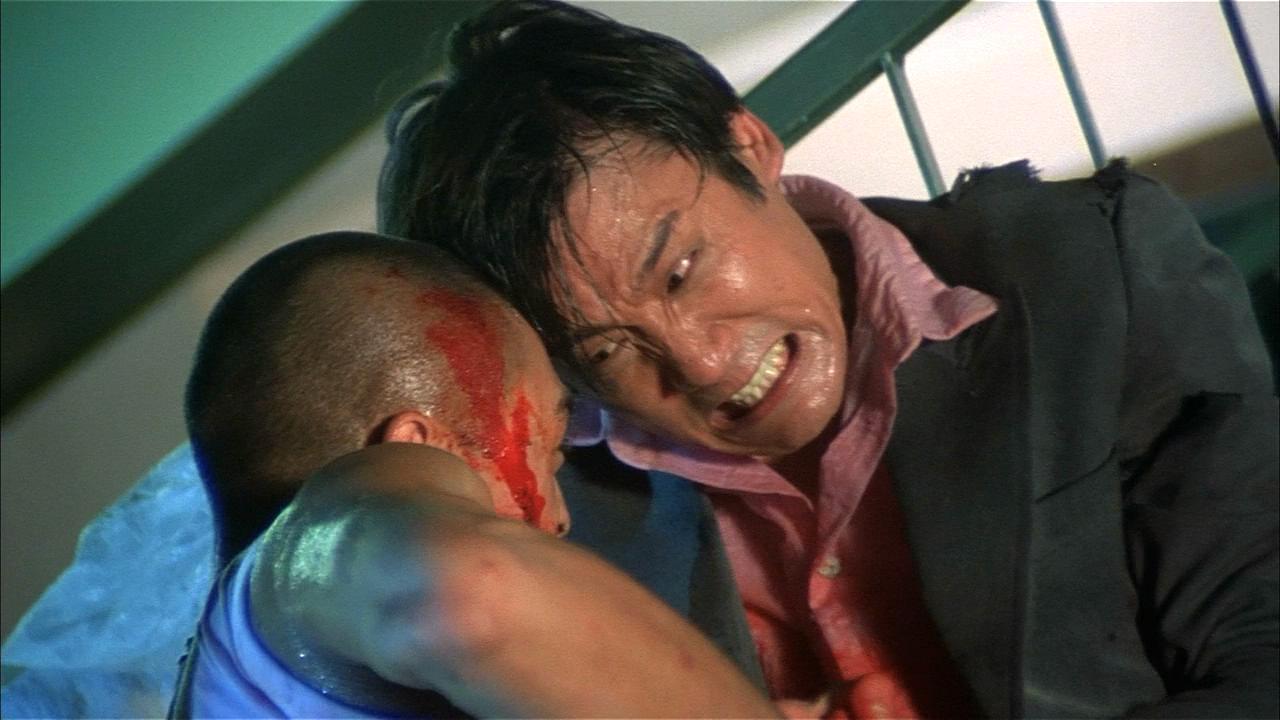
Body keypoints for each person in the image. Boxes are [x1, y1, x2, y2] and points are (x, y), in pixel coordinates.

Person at [377, 1, 1280, 717]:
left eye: (682, 270)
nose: (699, 362)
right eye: (609, 349)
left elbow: (1265, 652)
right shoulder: (560, 508)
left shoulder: (1084, 270)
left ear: (750, 146)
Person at [170, 231, 782, 717]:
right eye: (549, 452)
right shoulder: (293, 572)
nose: (561, 517)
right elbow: (471, 589)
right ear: (418, 449)